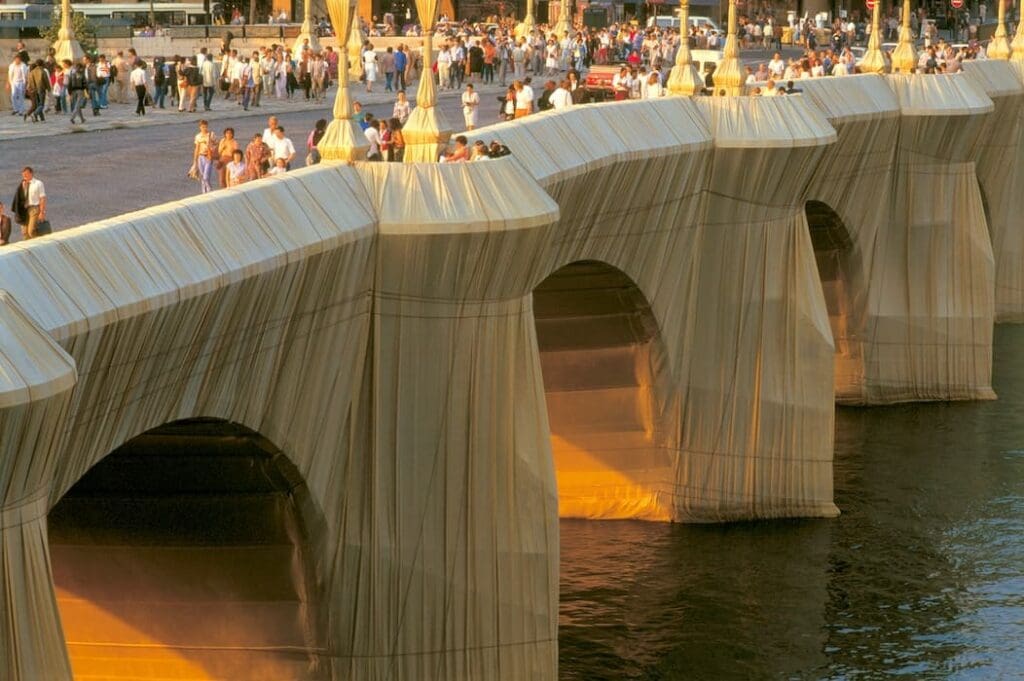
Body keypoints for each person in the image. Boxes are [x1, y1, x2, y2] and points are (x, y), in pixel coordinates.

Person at [11, 167, 46, 240]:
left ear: (31, 173)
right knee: (25, 233)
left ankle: (38, 244)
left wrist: (42, 212)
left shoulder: (38, 183)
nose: (25, 176)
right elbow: (19, 197)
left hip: (34, 208)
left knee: (31, 231)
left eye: (26, 174)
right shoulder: (22, 184)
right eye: (23, 175)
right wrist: (24, 187)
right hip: (24, 210)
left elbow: (42, 198)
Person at [192, 120, 217, 193]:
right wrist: (194, 161)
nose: (204, 128)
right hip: (200, 157)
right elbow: (196, 148)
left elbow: (216, 144)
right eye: (203, 127)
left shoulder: (211, 134)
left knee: (206, 176)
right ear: (200, 127)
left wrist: (212, 150)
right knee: (202, 176)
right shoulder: (198, 136)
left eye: (206, 127)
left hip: (208, 157)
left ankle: (209, 190)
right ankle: (204, 192)